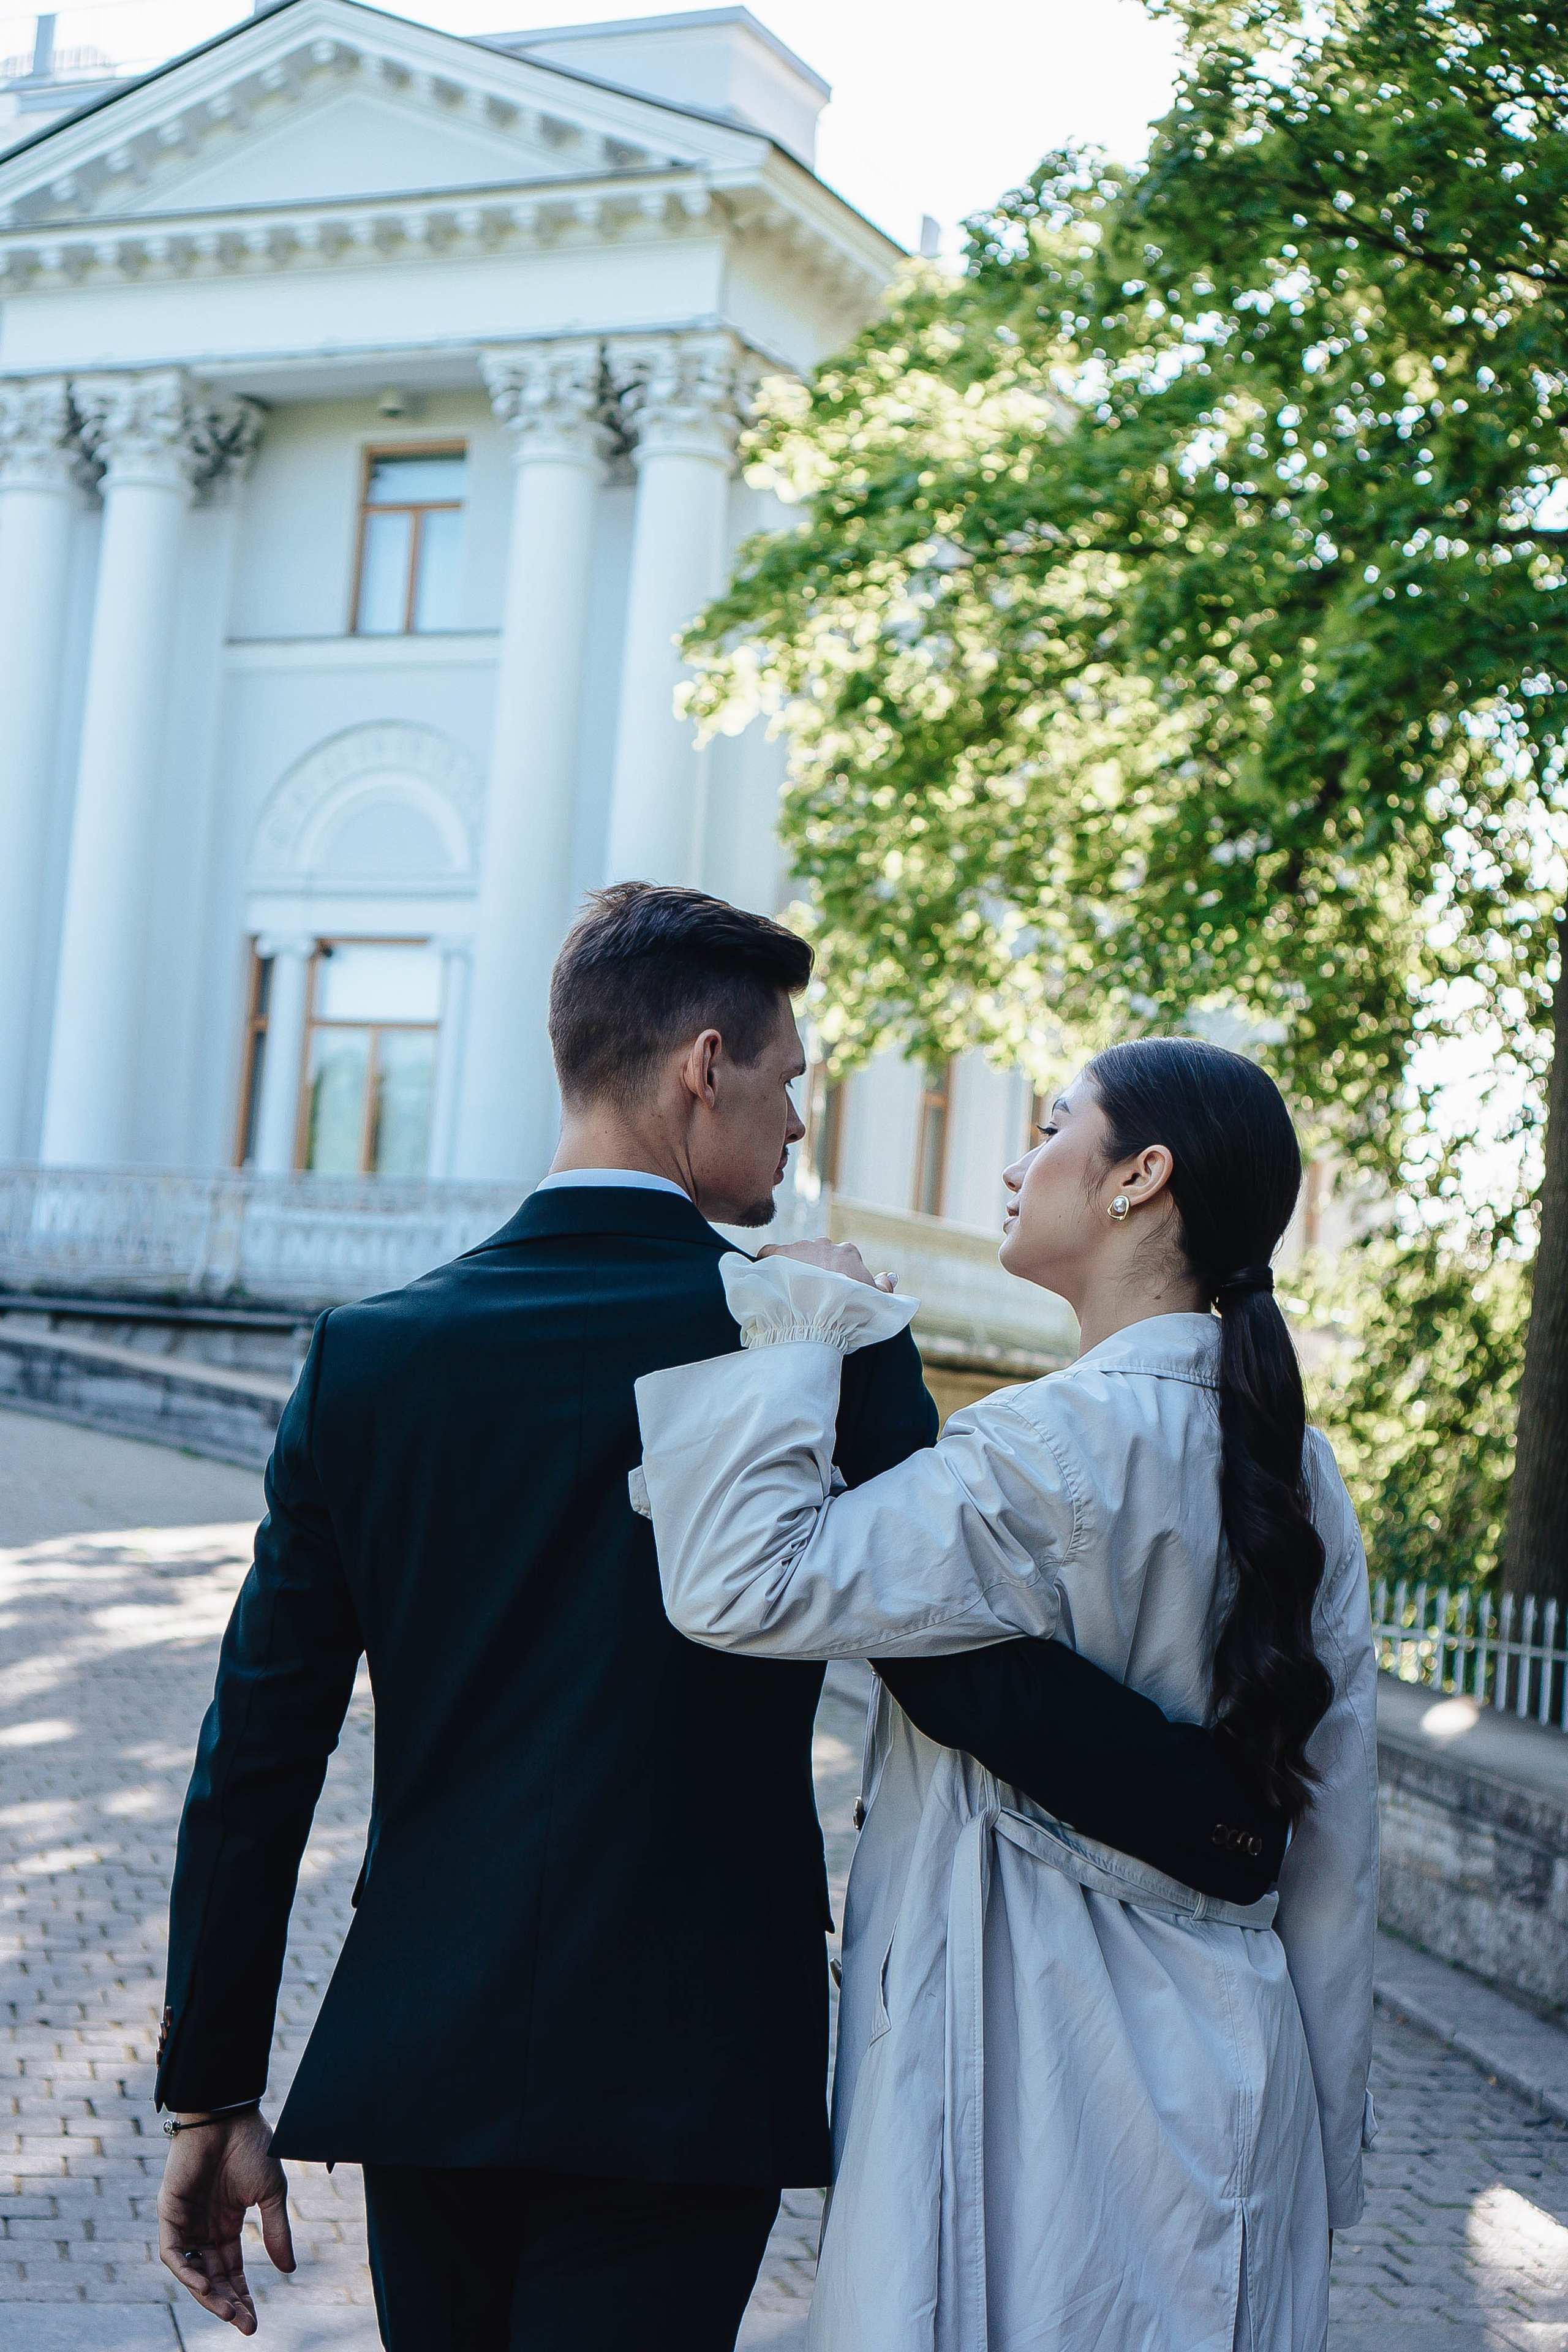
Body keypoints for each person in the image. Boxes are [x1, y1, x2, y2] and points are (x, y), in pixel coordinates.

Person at [156, 891, 1290, 2352]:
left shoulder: (368, 1358)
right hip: (690, 2057)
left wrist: (213, 2087)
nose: (801, 1125)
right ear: (705, 1065)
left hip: (429, 2047)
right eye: (791, 1082)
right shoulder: (823, 1340)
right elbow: (951, 1675)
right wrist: (1221, 1818)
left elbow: (256, 1749)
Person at [635, 1037, 1380, 2352]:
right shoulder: (1297, 1466)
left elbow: (737, 1582)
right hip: (1237, 2085)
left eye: (1048, 1129)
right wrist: (1317, 2154)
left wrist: (800, 1324)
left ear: (1136, 1179)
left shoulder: (1040, 1449)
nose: (1012, 1160)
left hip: (1035, 2061)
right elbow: (1335, 1853)